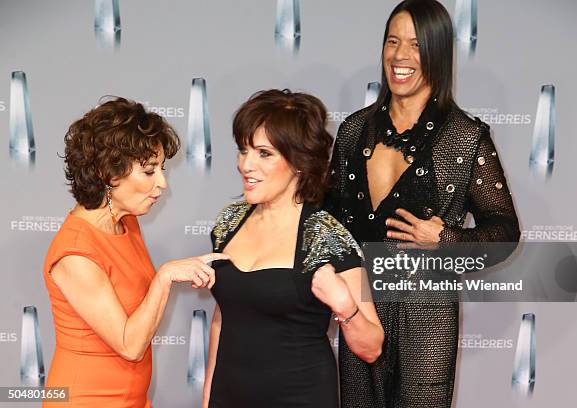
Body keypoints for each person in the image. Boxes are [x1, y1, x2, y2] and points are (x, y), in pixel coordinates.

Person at [324, 1, 520, 407]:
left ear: (438, 52)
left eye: (416, 45)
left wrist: (445, 238)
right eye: (392, 42)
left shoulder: (464, 137)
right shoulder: (354, 130)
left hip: (427, 316)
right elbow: (326, 222)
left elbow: (505, 233)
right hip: (361, 308)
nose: (400, 56)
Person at [202, 89, 384, 408]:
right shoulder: (227, 223)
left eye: (264, 153)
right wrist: (207, 400)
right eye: (243, 150)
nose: (246, 165)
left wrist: (345, 307)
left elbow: (371, 347)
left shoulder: (325, 236)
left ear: (299, 162)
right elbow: (222, 318)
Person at [42, 97, 229, 407]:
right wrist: (165, 276)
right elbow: (130, 345)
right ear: (108, 173)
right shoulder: (75, 253)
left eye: (162, 169)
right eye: (149, 172)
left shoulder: (127, 222)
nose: (163, 184)